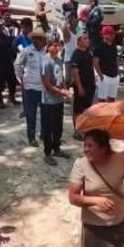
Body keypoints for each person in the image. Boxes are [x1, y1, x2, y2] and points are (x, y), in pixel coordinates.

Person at [15, 27, 49, 147]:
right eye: (37, 39)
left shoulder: (46, 53)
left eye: (41, 39)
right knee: (31, 114)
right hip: (30, 87)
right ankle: (31, 137)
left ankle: (44, 134)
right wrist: (22, 80)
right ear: (34, 39)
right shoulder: (26, 51)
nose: (40, 41)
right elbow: (18, 65)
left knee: (45, 113)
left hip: (43, 87)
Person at [40, 36, 71, 164]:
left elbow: (61, 78)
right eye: (55, 45)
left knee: (58, 126)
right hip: (48, 101)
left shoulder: (58, 60)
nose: (58, 48)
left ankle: (57, 148)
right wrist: (61, 92)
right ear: (49, 46)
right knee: (47, 128)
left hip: (58, 100)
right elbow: (47, 84)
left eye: (59, 45)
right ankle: (47, 153)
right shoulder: (45, 62)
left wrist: (65, 89)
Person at [68, 32, 95, 138]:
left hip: (90, 85)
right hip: (81, 86)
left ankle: (84, 129)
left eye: (87, 38)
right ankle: (77, 131)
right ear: (79, 41)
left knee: (86, 110)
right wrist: (79, 87)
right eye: (84, 38)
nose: (87, 40)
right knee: (78, 110)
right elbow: (75, 72)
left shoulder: (88, 53)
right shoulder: (76, 54)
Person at [93, 24, 121, 103]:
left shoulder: (113, 46)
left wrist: (118, 70)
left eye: (113, 34)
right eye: (110, 34)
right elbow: (95, 61)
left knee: (112, 98)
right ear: (105, 35)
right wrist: (100, 75)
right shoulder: (99, 47)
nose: (112, 36)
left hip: (114, 75)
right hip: (105, 75)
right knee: (102, 99)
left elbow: (116, 58)